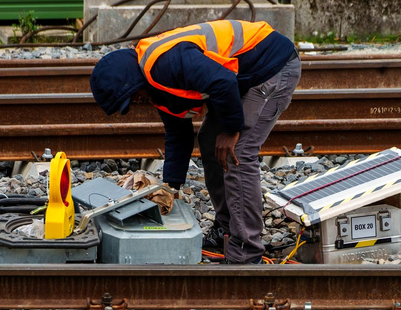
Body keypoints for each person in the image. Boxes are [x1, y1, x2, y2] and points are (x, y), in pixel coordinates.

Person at [90, 20, 301, 264]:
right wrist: (171, 188)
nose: (137, 102)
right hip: (243, 76)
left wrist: (232, 129)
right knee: (210, 139)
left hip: (272, 66)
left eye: (132, 98)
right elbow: (178, 134)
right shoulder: (155, 86)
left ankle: (247, 250)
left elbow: (223, 82)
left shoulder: (164, 63)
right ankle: (227, 229)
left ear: (132, 81)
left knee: (237, 152)